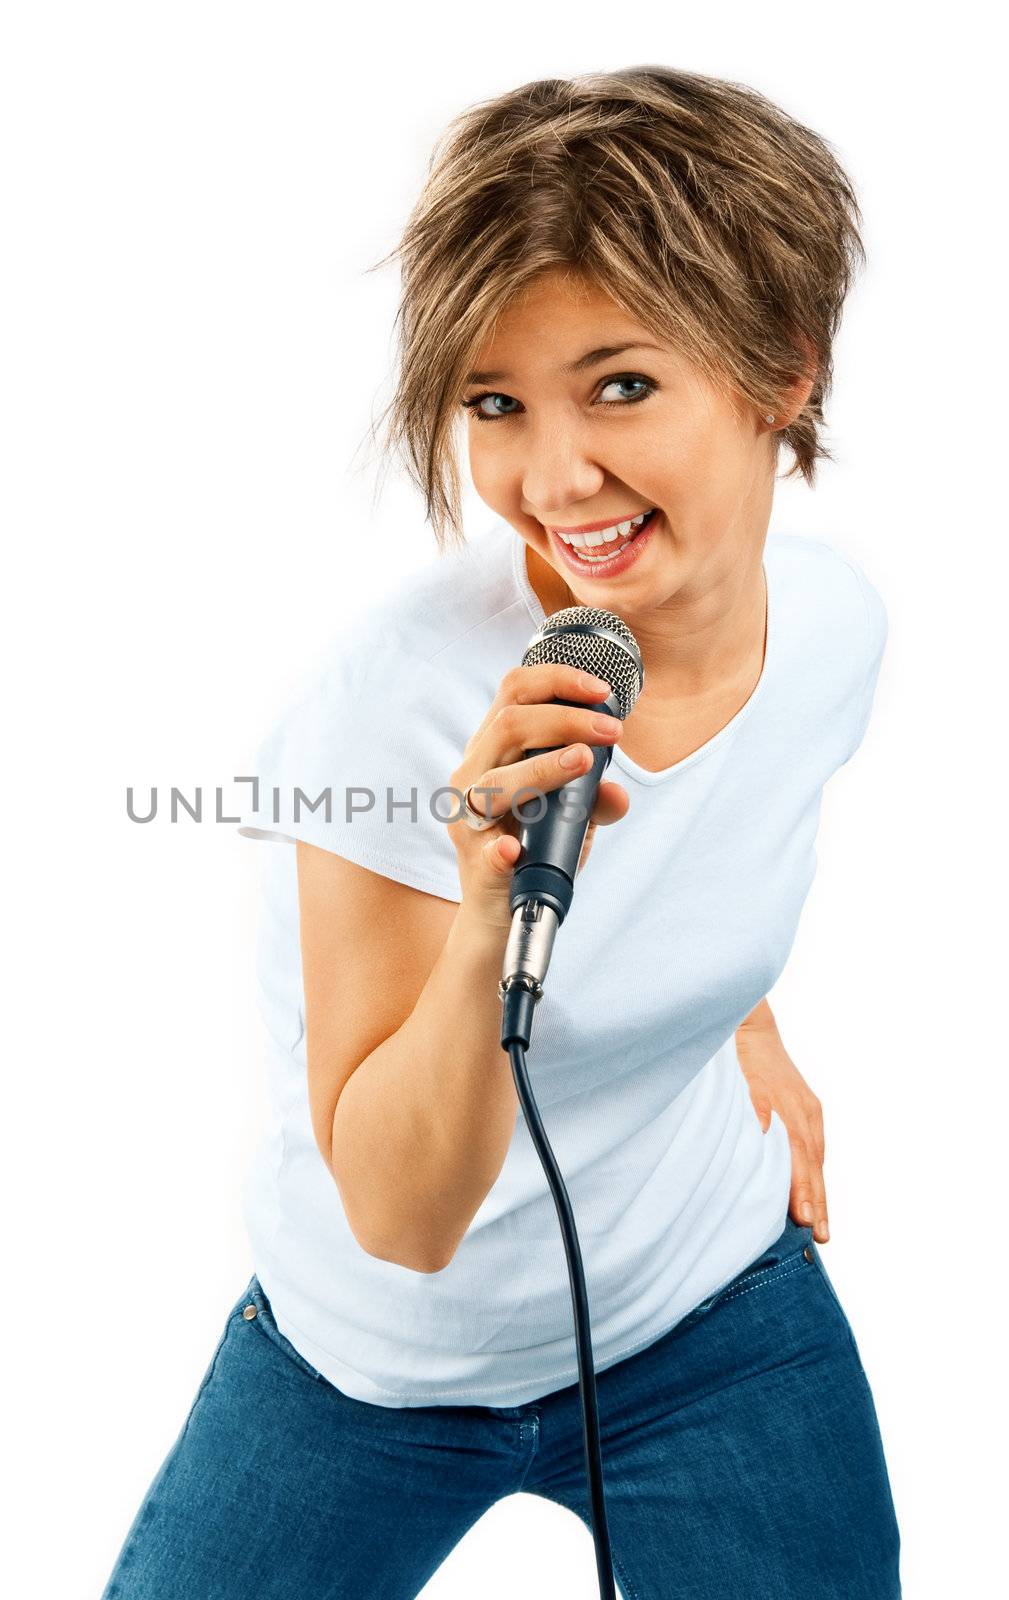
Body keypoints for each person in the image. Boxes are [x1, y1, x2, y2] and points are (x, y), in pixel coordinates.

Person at [100, 66, 902, 1599]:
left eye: (618, 385)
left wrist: (752, 1030)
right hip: (373, 1365)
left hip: (708, 1312)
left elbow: (717, 843)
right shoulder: (390, 706)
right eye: (493, 403)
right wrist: (486, 904)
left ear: (780, 371)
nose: (552, 479)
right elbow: (403, 1215)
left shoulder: (833, 631)